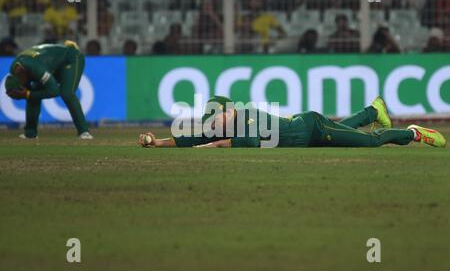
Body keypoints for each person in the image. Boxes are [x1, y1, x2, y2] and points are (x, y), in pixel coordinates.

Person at [138, 96, 446, 149]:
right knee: (348, 132)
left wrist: (213, 145)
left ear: (227, 110)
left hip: (313, 127)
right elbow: (192, 138)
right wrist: (157, 142)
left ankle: (411, 133)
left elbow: (250, 142)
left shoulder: (247, 116)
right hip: (309, 137)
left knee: (371, 141)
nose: (212, 125)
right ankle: (372, 110)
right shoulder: (226, 123)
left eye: (214, 119)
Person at [3, 41, 93, 139]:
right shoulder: (15, 69)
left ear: (22, 76)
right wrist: (28, 94)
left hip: (71, 58)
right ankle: (30, 133)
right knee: (32, 94)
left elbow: (54, 91)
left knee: (66, 93)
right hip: (52, 64)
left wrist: (28, 94)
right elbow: (28, 89)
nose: (25, 86)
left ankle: (84, 132)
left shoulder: (36, 68)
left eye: (23, 84)